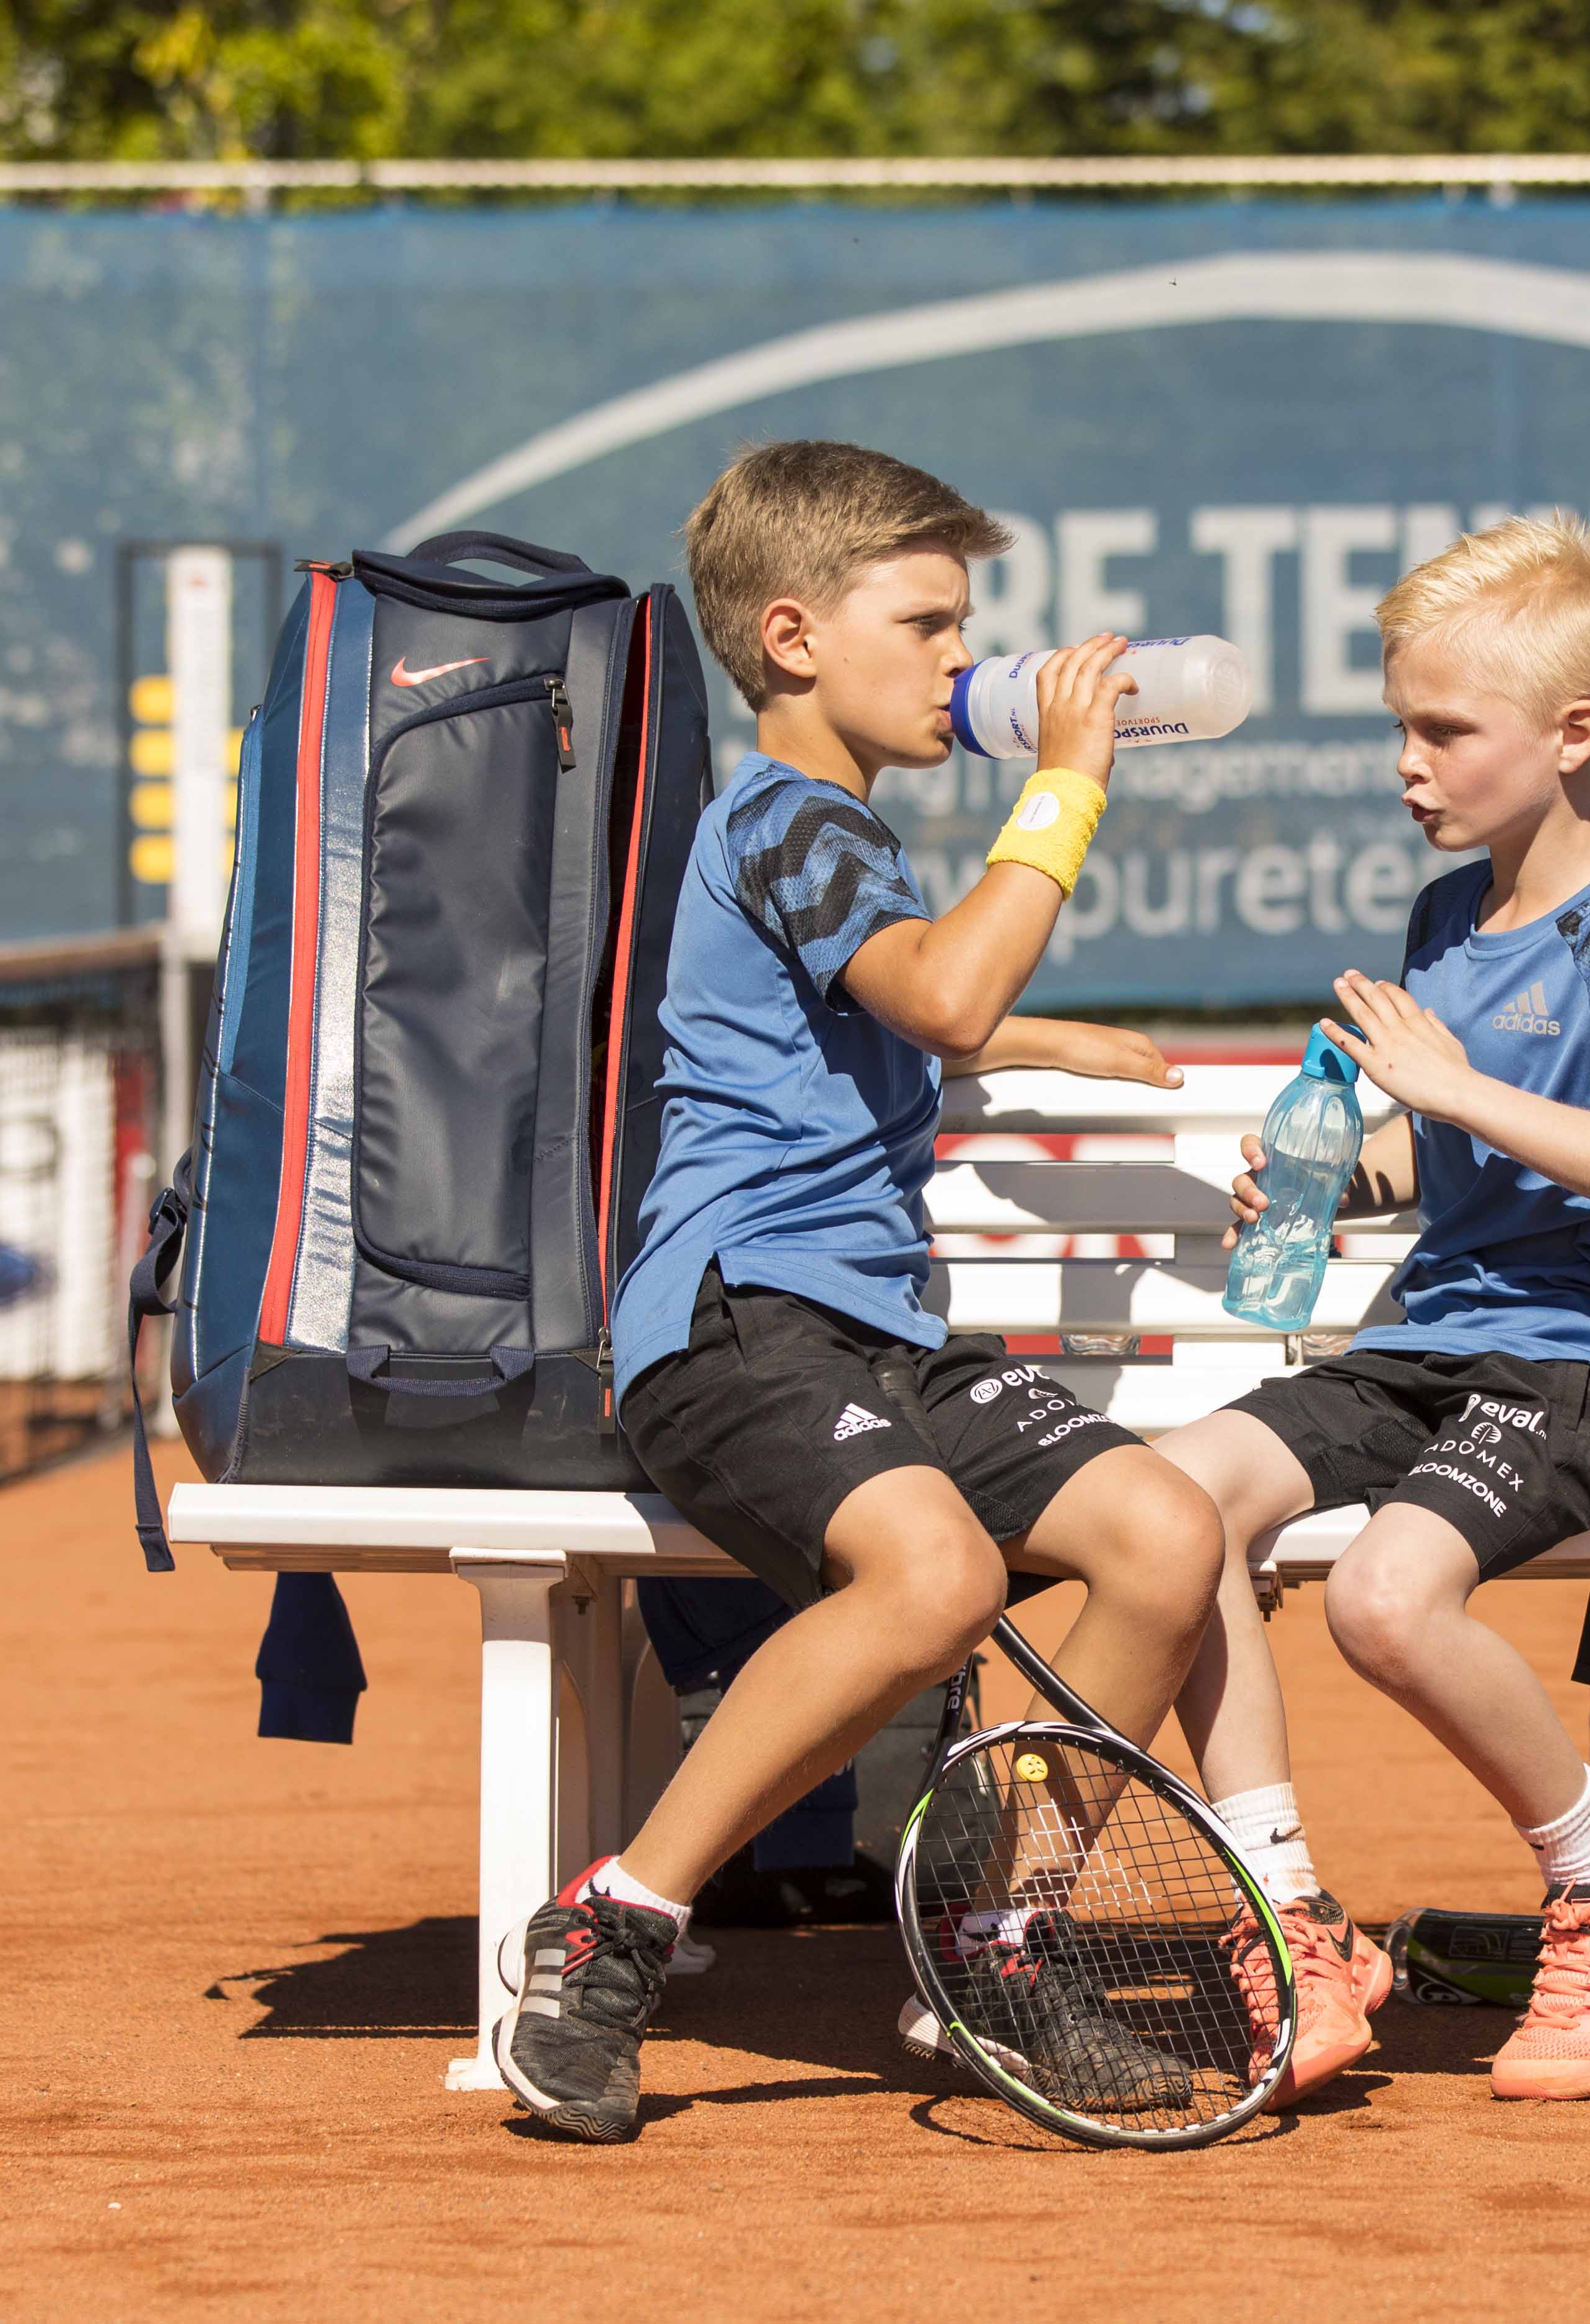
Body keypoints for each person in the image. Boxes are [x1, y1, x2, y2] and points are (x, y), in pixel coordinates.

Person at [497, 441, 1225, 2142]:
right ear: (794, 637)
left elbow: (883, 1020)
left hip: (881, 1333)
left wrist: (1051, 1040)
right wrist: (1069, 783)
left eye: (966, 625)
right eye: (928, 624)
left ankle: (996, 1940)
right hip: (734, 1323)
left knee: (1164, 1535)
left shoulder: (834, 835)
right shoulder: (786, 814)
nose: (966, 663)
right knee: (939, 1575)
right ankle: (613, 1925)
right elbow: (943, 1001)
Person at [1166, 515, 1590, 2104]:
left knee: (1383, 1602)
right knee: (1160, 1509)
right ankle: (1293, 1920)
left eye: (1445, 731)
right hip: (1422, 1341)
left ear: (1572, 735)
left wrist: (1453, 1086)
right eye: (1398, 727)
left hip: (1582, 1367)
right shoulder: (1444, 917)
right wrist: (1337, 1178)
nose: (1408, 766)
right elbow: (1449, 1153)